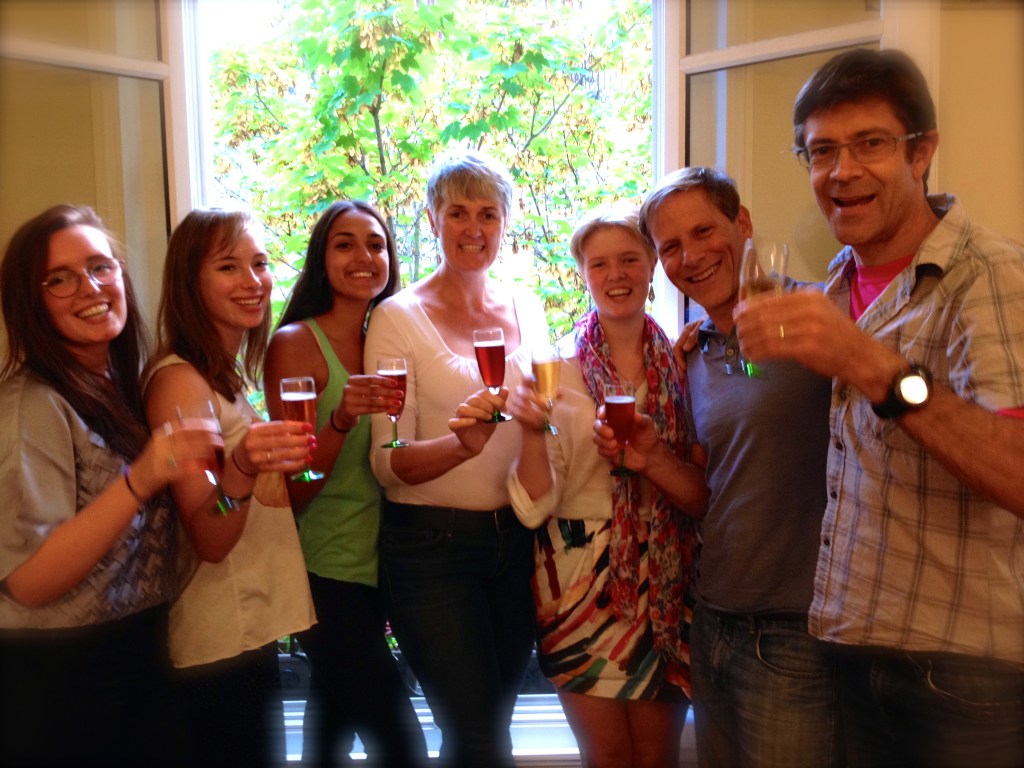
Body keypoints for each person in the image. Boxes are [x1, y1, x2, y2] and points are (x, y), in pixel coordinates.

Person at [734, 48, 1024, 767]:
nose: (841, 171)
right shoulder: (835, 283)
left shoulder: (989, 276)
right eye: (821, 151)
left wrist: (872, 366)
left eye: (870, 144)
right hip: (848, 651)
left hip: (961, 677)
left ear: (922, 152)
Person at [633, 166, 842, 767]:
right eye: (670, 246)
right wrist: (650, 458)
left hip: (796, 633)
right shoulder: (691, 356)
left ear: (742, 223)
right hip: (713, 622)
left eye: (704, 231)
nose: (690, 256)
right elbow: (713, 496)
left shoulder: (819, 314)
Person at [0, 204, 219, 767]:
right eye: (59, 278)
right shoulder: (31, 405)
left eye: (102, 267)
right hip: (61, 678)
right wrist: (141, 477)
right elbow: (28, 580)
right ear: (31, 302)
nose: (90, 287)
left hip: (137, 655)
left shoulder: (116, 385)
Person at [363, 148, 549, 768]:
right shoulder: (397, 318)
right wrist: (460, 445)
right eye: (458, 213)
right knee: (475, 735)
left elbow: (553, 407)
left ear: (505, 223)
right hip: (431, 552)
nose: (474, 229)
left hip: (516, 542)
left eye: (489, 215)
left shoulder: (527, 306)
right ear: (433, 218)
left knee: (490, 731)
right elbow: (387, 463)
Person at [506, 207, 707, 768]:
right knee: (609, 754)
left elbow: (702, 481)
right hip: (576, 583)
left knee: (656, 754)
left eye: (629, 260)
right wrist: (528, 428)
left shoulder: (687, 362)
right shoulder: (551, 369)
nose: (615, 275)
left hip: (667, 577)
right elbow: (531, 508)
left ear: (651, 268)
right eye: (599, 264)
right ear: (583, 274)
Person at [144, 208, 317, 767]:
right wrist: (242, 468)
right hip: (216, 640)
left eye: (261, 264)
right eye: (228, 266)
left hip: (245, 632)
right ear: (190, 282)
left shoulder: (223, 373)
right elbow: (210, 534)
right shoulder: (179, 382)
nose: (253, 281)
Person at [264, 200, 428, 767]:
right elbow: (293, 489)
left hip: (378, 565)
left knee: (330, 725)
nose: (364, 256)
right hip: (320, 570)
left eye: (377, 244)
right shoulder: (293, 344)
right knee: (401, 741)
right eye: (345, 243)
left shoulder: (389, 340)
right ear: (321, 259)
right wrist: (339, 419)